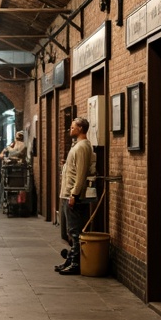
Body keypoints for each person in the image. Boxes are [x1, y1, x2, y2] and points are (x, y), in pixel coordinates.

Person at [56, 116, 95, 275]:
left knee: (76, 231)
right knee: (70, 231)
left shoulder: (82, 147)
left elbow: (81, 174)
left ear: (80, 129)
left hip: (73, 195)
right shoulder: (77, 146)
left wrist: (74, 194)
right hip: (67, 194)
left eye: (73, 127)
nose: (70, 129)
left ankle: (76, 264)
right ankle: (71, 259)